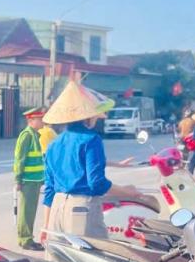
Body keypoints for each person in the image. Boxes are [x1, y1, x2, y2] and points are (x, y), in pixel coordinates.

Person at [41, 80, 141, 241]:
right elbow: (97, 183)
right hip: (81, 210)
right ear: (88, 116)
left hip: (57, 211)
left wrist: (46, 226)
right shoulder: (91, 140)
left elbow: (49, 189)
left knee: (62, 256)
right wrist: (128, 192)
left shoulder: (54, 144)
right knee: (96, 253)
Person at [13, 108, 47, 251]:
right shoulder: (26, 135)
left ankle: (28, 238)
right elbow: (19, 159)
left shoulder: (35, 135)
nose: (43, 122)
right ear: (31, 120)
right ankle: (25, 240)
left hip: (35, 180)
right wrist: (18, 179)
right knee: (26, 212)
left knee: (30, 211)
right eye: (40, 119)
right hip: (28, 180)